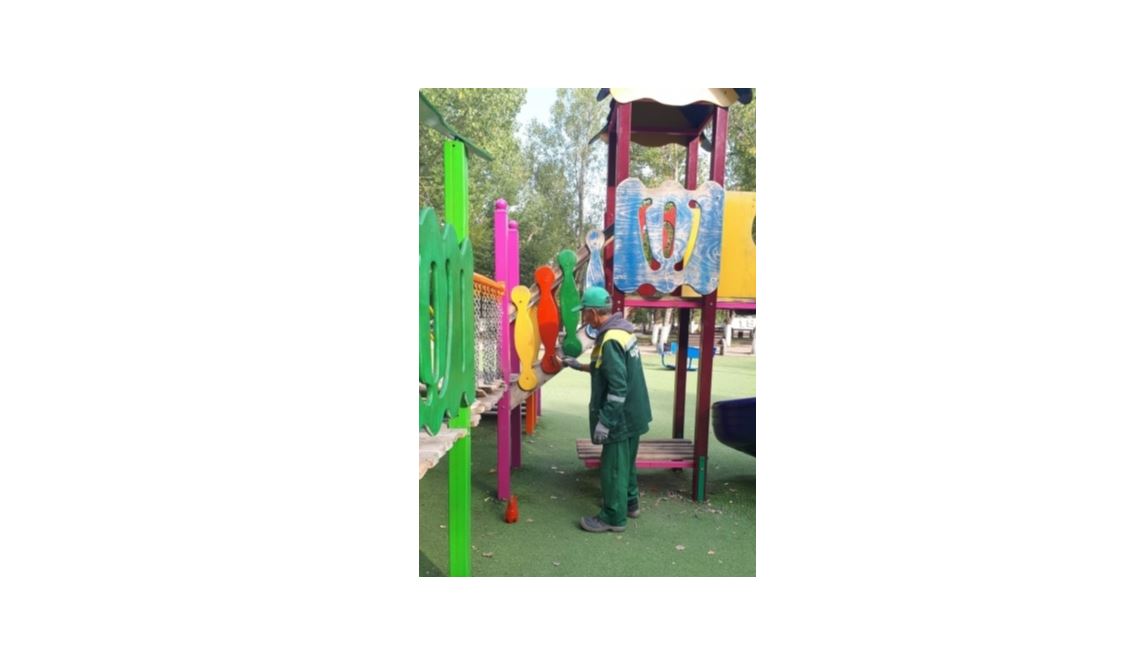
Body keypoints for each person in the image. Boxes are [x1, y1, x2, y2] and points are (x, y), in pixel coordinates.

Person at [561, 286, 652, 533]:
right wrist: (579, 366)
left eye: (584, 313)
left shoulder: (610, 340)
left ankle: (613, 517)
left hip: (620, 416)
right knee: (627, 463)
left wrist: (606, 421)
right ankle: (631, 503)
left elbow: (617, 387)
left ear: (593, 313)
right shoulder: (621, 332)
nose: (584, 318)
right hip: (635, 412)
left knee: (613, 468)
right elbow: (609, 368)